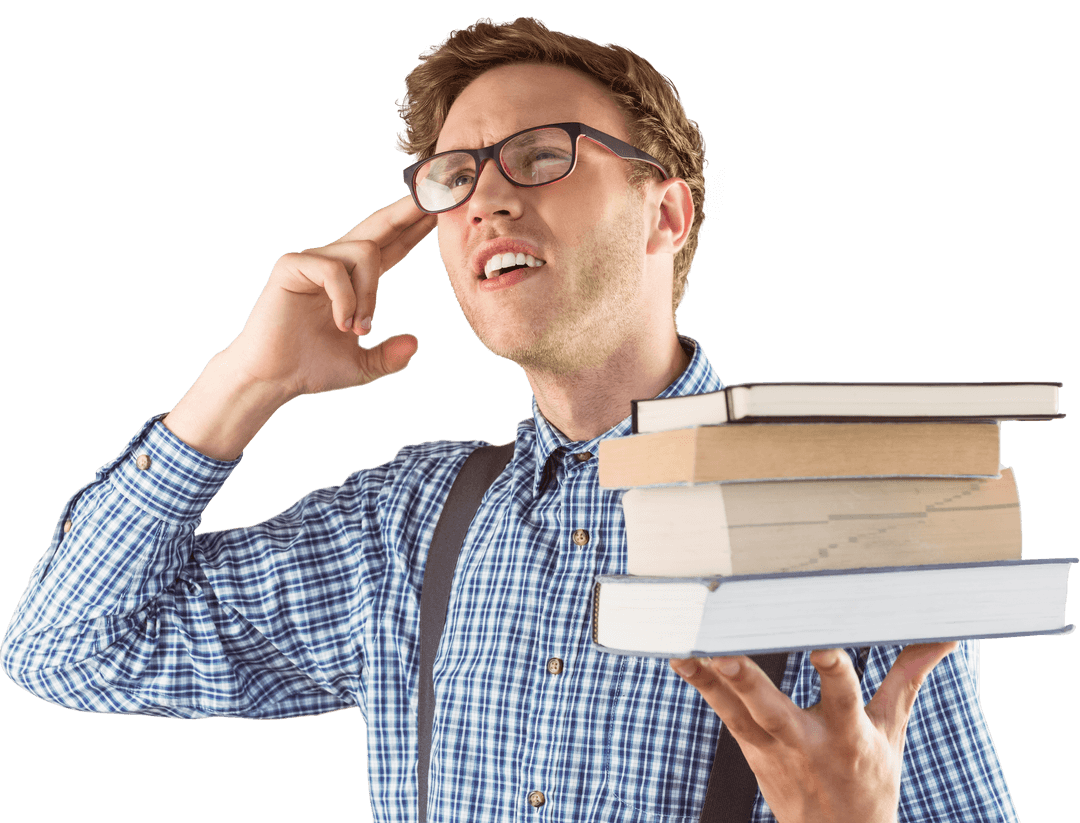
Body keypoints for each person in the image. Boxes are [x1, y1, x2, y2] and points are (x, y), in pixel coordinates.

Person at [0, 17, 1020, 823]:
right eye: (456, 177)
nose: (485, 199)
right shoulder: (402, 526)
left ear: (667, 214)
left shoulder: (850, 525)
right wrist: (244, 380)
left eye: (539, 155)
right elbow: (69, 646)